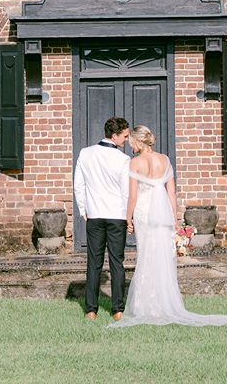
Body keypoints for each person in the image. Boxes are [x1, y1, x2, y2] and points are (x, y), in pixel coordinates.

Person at [110, 124, 227, 328]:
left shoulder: (135, 163)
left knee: (147, 255)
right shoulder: (164, 160)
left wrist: (127, 219)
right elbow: (172, 194)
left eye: (132, 141)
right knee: (164, 256)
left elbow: (133, 196)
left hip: (144, 214)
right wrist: (174, 220)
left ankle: (147, 306)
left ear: (138, 141)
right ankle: (163, 303)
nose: (130, 144)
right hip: (164, 212)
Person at [73, 116, 132, 320]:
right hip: (116, 216)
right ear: (114, 135)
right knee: (117, 262)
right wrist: (128, 217)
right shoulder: (124, 160)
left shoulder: (85, 153)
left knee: (93, 262)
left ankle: (90, 309)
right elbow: (126, 192)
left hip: (95, 215)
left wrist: (83, 210)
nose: (126, 139)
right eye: (124, 136)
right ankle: (117, 309)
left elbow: (78, 185)